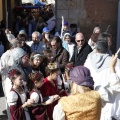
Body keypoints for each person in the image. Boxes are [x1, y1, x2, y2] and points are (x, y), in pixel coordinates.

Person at [53, 63, 120, 120]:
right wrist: (112, 68)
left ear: (73, 83)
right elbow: (116, 88)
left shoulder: (63, 104)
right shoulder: (98, 95)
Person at [84, 40, 120, 119]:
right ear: (107, 49)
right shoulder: (116, 62)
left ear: (96, 49)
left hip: (94, 100)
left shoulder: (88, 61)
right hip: (111, 103)